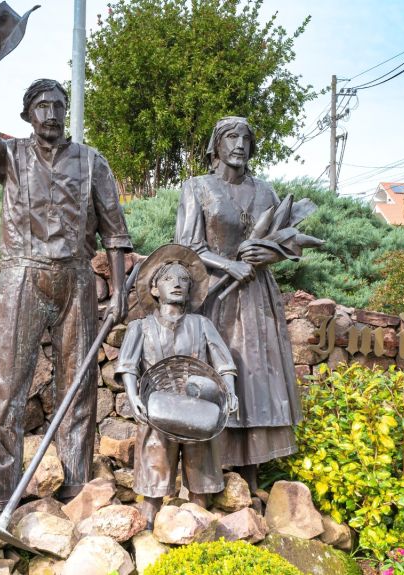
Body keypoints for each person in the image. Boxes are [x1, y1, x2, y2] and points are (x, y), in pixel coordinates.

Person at [0, 19, 132, 514]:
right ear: (27, 114)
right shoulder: (10, 154)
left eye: (59, 106)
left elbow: (115, 230)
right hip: (24, 275)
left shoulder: (91, 161)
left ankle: (75, 485)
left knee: (79, 386)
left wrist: (122, 292)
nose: (52, 113)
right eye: (42, 106)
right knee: (6, 387)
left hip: (76, 279)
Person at [175, 117, 303, 493]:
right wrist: (229, 263)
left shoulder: (265, 191)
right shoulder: (197, 187)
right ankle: (209, 467)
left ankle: (252, 471)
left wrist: (264, 255)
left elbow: (286, 239)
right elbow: (187, 246)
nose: (239, 144)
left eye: (246, 138)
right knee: (219, 368)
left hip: (257, 299)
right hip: (216, 295)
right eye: (231, 137)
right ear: (216, 145)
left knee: (257, 375)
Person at [115, 244, 237, 528]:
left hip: (197, 407)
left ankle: (200, 515)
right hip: (157, 407)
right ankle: (150, 515)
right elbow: (128, 366)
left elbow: (223, 363)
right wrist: (133, 397)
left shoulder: (201, 324)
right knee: (155, 461)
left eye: (184, 280)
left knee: (200, 466)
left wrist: (229, 392)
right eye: (170, 279)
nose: (178, 284)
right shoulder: (141, 327)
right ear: (155, 289)